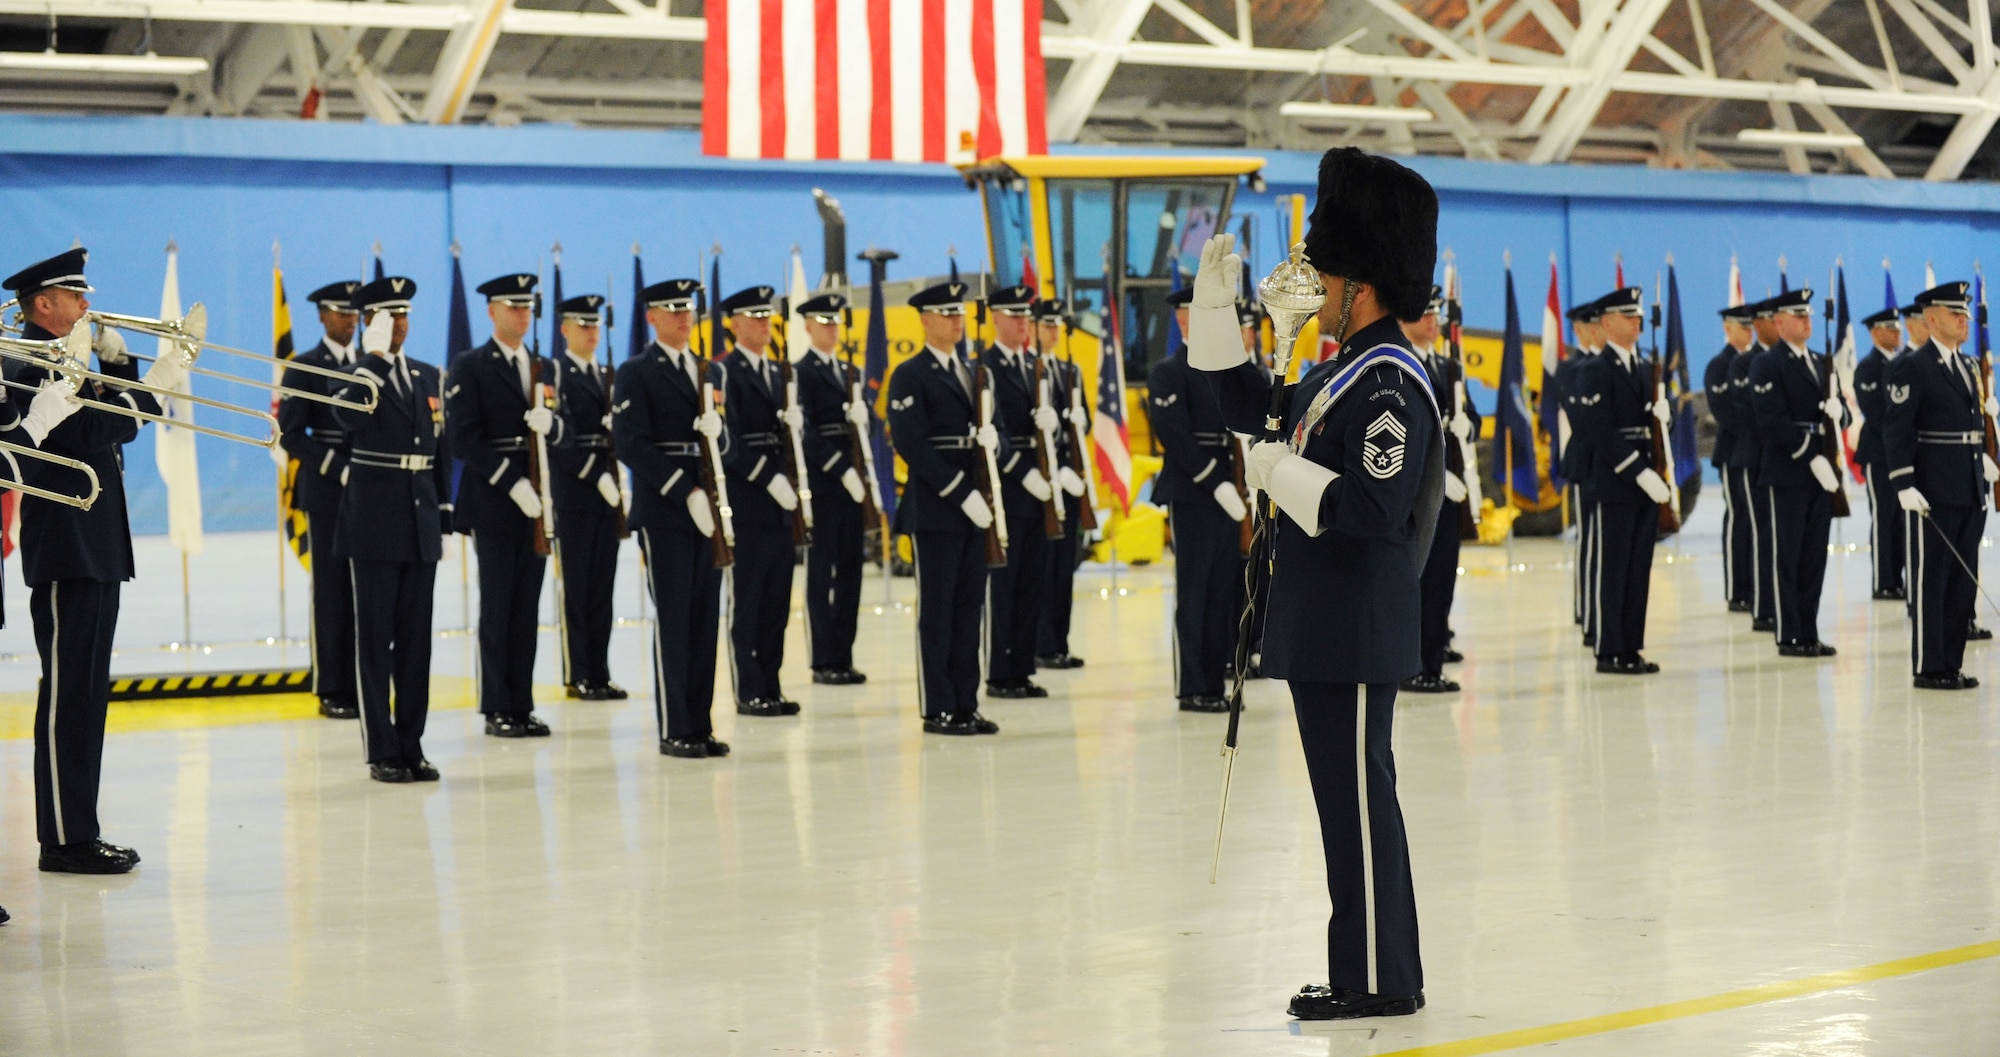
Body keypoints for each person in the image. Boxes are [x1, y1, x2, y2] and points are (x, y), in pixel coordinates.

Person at [1192, 147, 1443, 1020]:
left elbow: (1373, 508)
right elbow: (1252, 409)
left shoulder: (1389, 384)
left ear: (1361, 287)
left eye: (1327, 275)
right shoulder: (1343, 371)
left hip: (1356, 623)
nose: (1315, 288)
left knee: (1361, 806)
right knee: (1345, 808)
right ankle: (1365, 968)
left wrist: (1274, 471)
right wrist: (1214, 318)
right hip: (1329, 623)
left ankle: (1379, 979)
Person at [8, 247, 180, 873]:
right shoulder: (24, 364)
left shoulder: (69, 355)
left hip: (98, 544)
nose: (88, 305)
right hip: (63, 548)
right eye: (75, 296)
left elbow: (105, 419)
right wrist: (146, 392)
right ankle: (62, 838)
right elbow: (85, 432)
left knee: (86, 696)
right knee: (66, 698)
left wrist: (124, 368)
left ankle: (78, 829)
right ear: (43, 304)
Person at [332, 277, 452, 782]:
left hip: (420, 519)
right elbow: (345, 417)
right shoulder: (358, 374)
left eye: (403, 315)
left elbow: (438, 448)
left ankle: (412, 743)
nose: (399, 324)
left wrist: (444, 510)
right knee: (376, 640)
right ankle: (382, 749)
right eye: (387, 316)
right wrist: (376, 361)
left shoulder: (427, 375)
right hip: (375, 523)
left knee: (416, 642)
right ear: (368, 321)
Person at [611, 278, 729, 758]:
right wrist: (684, 491)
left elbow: (728, 446)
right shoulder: (637, 371)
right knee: (675, 618)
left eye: (689, 308)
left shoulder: (708, 372)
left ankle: (700, 723)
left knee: (705, 619)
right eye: (672, 309)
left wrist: (719, 436)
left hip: (708, 509)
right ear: (652, 317)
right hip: (666, 509)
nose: (684, 316)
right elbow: (631, 443)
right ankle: (676, 726)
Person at [445, 272, 566, 738]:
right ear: (492, 311)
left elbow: (566, 432)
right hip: (496, 502)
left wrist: (552, 429)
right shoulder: (471, 365)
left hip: (538, 503)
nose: (522, 313)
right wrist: (512, 481)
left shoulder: (544, 368)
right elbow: (463, 437)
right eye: (512, 306)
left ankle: (522, 703)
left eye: (527, 306)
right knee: (498, 605)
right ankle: (497, 706)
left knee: (527, 608)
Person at [886, 281, 1003, 736]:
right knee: (937, 613)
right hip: (936, 509)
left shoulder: (975, 372)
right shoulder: (910, 374)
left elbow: (999, 429)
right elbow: (911, 444)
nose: (956, 320)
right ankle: (938, 707)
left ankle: (965, 703)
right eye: (945, 312)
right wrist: (960, 491)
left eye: (959, 312)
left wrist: (997, 439)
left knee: (968, 609)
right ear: (924, 319)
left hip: (977, 506)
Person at [1881, 281, 1995, 690]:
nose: (1964, 320)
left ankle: (1951, 662)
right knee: (1933, 578)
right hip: (1931, 489)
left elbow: (1970, 425)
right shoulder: (1912, 366)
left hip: (1967, 485)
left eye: (1965, 313)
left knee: (1962, 582)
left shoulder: (1966, 367)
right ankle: (1930, 666)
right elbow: (1896, 429)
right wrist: (1903, 482)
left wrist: (1983, 458)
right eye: (1954, 313)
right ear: (1931, 318)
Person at [1148, 286, 1250, 712]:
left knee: (1223, 590)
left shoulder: (1225, 366)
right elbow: (1174, 435)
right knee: (1195, 589)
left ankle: (1216, 678)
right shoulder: (1169, 371)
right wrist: (1215, 482)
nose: (1192, 318)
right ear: (1179, 320)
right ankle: (1193, 685)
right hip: (1193, 492)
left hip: (1231, 487)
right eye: (1187, 312)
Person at [714, 285, 805, 717]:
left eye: (767, 316)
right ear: (733, 323)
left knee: (777, 600)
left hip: (781, 504)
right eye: (754, 317)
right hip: (749, 501)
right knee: (749, 598)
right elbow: (725, 439)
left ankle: (771, 682)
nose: (764, 323)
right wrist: (766, 477)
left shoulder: (779, 372)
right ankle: (749, 688)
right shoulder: (724, 373)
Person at [1571, 287, 1669, 675]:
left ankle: (1631, 645)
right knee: (1611, 568)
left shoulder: (1645, 368)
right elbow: (1598, 429)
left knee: (1637, 567)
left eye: (1638, 316)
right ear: (1608, 322)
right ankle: (1609, 648)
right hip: (1614, 481)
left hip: (1646, 480)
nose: (1636, 322)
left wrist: (1665, 417)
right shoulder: (1594, 370)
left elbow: (1652, 429)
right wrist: (1639, 471)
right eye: (1628, 316)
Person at [277, 280, 363, 719]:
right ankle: (332, 686)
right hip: (328, 493)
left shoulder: (370, 364)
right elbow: (290, 434)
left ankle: (364, 681)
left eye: (354, 313)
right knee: (330, 592)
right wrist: (335, 465)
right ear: (322, 316)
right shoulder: (305, 366)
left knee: (369, 591)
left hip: (370, 492)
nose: (350, 320)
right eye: (341, 313)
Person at [1748, 287, 1841, 658]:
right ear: (1780, 321)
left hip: (1820, 469)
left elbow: (1836, 413)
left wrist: (1840, 413)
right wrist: (1811, 456)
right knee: (1786, 555)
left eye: (1809, 315)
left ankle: (1809, 630)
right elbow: (1772, 421)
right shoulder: (1767, 364)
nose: (1806, 321)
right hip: (1788, 470)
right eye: (1798, 315)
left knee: (1814, 556)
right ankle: (1789, 634)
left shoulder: (1820, 361)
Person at [976, 284, 1057, 699]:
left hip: (1038, 488)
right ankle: (998, 672)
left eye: (1025, 315)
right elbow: (993, 431)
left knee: (1030, 583)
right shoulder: (985, 366)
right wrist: (1021, 471)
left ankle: (1021, 668)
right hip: (1006, 485)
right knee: (1003, 586)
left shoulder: (1035, 364)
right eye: (1013, 315)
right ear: (994, 318)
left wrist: (1053, 426)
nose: (1022, 322)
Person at [548, 293, 627, 702]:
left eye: (595, 325)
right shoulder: (557, 373)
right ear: (565, 329)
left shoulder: (607, 375)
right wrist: (593, 473)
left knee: (603, 588)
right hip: (575, 492)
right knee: (577, 588)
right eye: (583, 325)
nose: (591, 332)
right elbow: (557, 438)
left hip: (607, 493)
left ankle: (600, 670)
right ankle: (578, 671)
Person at [793, 291, 871, 686]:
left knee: (851, 572)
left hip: (852, 485)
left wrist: (865, 417)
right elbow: (804, 431)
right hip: (825, 484)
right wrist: (840, 468)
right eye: (824, 322)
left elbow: (862, 429)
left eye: (835, 322)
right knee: (822, 572)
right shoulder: (800, 372)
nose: (832, 329)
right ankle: (823, 659)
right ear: (807, 326)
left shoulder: (849, 371)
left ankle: (844, 653)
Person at [1403, 287, 1478, 692]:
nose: (1433, 322)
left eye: (1435, 315)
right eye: (1424, 314)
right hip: (1416, 496)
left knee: (1441, 584)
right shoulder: (1399, 362)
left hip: (1450, 497)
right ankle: (1411, 665)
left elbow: (1472, 419)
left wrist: (1469, 425)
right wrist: (1434, 476)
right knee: (1417, 582)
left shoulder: (1449, 367)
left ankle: (1431, 665)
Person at [1034, 297, 1091, 671]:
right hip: (1041, 483)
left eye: (1057, 325)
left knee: (1063, 567)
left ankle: (1059, 641)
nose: (1053, 331)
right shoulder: (1032, 369)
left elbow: (1080, 428)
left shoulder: (1070, 371)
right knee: (1041, 567)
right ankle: (1040, 642)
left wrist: (1078, 420)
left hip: (1067, 482)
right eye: (1046, 324)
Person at [1556, 297, 1604, 642]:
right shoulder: (1573, 369)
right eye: (1592, 326)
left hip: (1607, 464)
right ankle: (1587, 607)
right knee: (1589, 539)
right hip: (1586, 462)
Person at [1730, 298, 1778, 633]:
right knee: (1762, 533)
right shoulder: (1743, 363)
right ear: (1760, 324)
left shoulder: (1795, 361)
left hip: (1788, 461)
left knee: (1786, 539)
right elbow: (1744, 412)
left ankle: (1782, 603)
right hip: (1755, 456)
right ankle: (1763, 606)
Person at [1704, 303, 1756, 613]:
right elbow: (1724, 412)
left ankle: (1755, 584)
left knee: (1755, 520)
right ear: (1728, 328)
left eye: (1751, 325)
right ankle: (1738, 590)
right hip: (1733, 450)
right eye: (1742, 326)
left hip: (1753, 451)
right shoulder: (1719, 366)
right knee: (1739, 517)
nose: (1748, 330)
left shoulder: (1757, 361)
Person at [1852, 307, 1906, 602]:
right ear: (1874, 332)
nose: (1896, 333)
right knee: (1885, 517)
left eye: (1897, 328)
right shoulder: (1868, 368)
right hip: (1879, 453)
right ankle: (1885, 581)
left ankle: (1900, 577)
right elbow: (1876, 412)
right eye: (1889, 328)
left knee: (1902, 518)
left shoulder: (1904, 363)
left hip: (1901, 453)